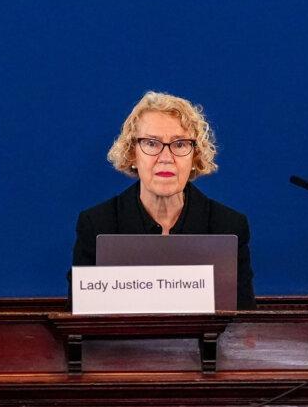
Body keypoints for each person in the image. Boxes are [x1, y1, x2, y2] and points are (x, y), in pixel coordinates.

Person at [72, 91, 255, 309]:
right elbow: (80, 322)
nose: (166, 158)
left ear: (195, 156)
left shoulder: (228, 226)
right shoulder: (97, 225)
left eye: (179, 144)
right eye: (151, 143)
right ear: (132, 154)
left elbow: (243, 325)